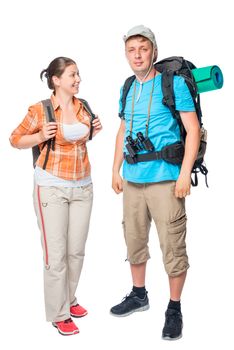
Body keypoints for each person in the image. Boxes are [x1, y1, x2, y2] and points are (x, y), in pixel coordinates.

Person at [110, 25, 200, 340]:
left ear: (154, 52)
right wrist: (115, 169)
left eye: (143, 48)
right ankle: (139, 294)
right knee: (134, 240)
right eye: (131, 49)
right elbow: (122, 130)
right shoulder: (127, 87)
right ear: (126, 55)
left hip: (166, 179)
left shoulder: (173, 83)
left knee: (172, 246)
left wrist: (185, 172)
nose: (137, 55)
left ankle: (174, 308)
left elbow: (193, 130)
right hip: (133, 180)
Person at [10, 57, 102, 336]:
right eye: (72, 75)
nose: (78, 79)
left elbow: (81, 138)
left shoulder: (82, 105)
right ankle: (59, 313)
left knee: (76, 251)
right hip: (51, 186)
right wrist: (39, 135)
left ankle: (69, 299)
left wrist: (94, 132)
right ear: (56, 80)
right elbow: (15, 139)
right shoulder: (40, 110)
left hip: (83, 186)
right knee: (56, 255)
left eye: (78, 75)